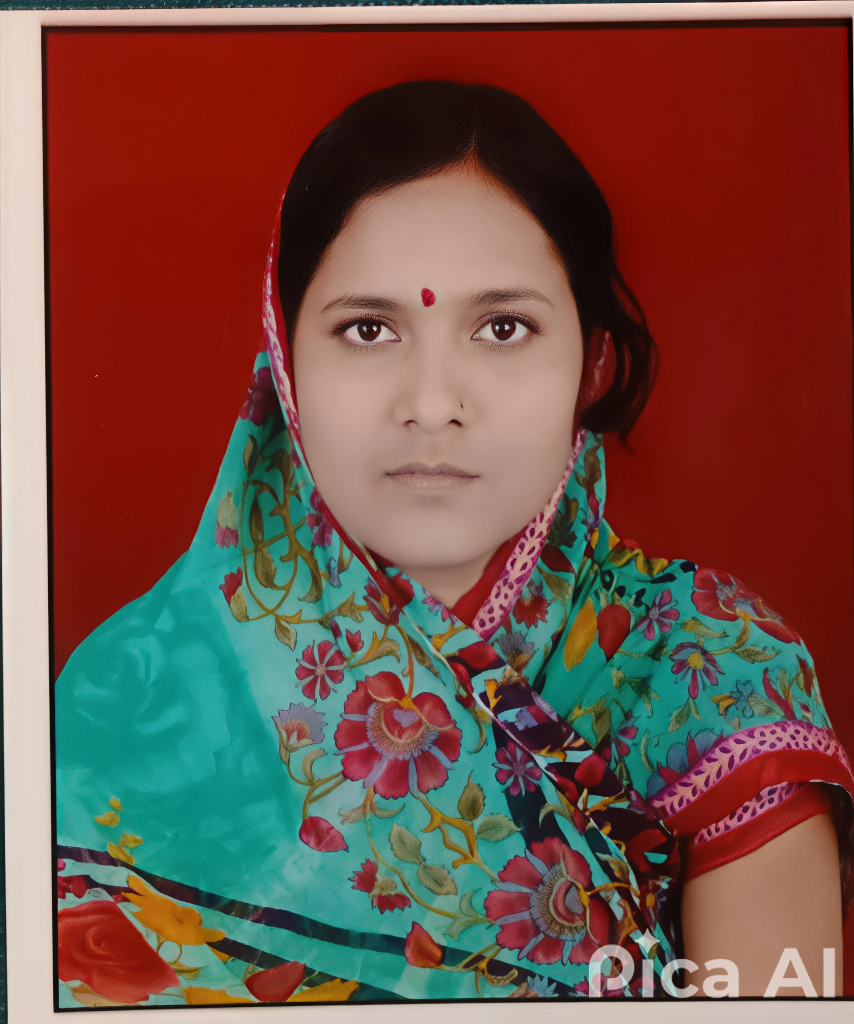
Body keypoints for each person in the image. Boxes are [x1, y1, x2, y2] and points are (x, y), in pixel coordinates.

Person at [55, 81, 853, 1006]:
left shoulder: (711, 672)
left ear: (593, 364)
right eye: (368, 329)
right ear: (286, 364)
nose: (432, 405)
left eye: (503, 328)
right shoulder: (128, 696)